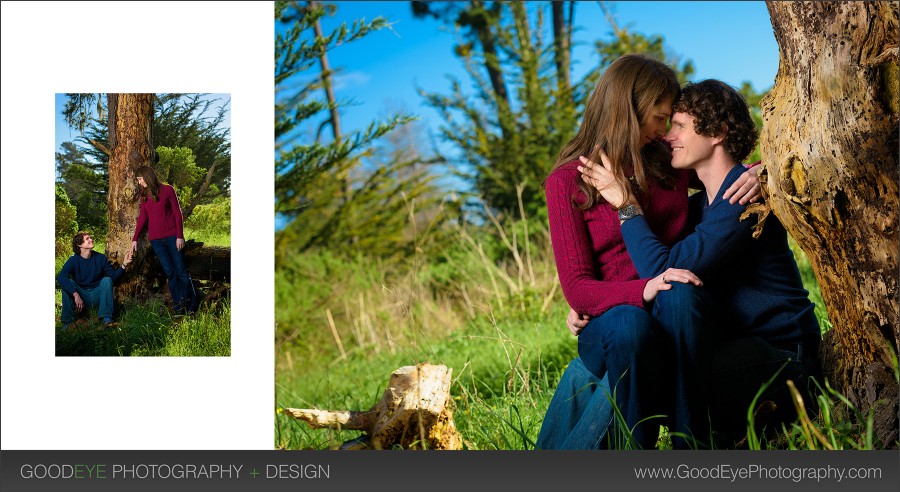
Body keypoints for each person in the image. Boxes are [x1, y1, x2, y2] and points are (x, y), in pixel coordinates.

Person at [574, 79, 821, 447]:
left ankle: (686, 451)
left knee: (649, 373)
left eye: (680, 126)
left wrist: (625, 203)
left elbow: (662, 266)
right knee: (661, 317)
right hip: (731, 345)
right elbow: (654, 274)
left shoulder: (743, 198)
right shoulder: (698, 208)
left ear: (718, 131)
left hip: (782, 358)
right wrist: (598, 302)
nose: (668, 136)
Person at [539, 54, 760, 450]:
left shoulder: (666, 163)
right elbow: (578, 288)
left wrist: (764, 170)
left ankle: (690, 445)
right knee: (629, 325)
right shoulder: (565, 183)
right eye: (659, 118)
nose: (663, 131)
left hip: (677, 307)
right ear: (628, 111)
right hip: (616, 320)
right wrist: (641, 289)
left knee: (679, 292)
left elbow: (720, 164)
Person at [132, 165, 197, 314]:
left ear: (147, 176)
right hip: (157, 241)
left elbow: (177, 213)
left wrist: (180, 236)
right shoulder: (144, 195)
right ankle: (179, 308)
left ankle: (192, 307)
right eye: (138, 180)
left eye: (140, 179)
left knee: (181, 272)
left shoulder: (168, 190)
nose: (139, 182)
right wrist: (134, 238)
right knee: (171, 273)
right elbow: (143, 218)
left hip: (173, 238)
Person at [57, 232, 133, 328]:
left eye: (90, 238)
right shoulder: (73, 260)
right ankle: (67, 323)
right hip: (82, 295)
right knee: (68, 284)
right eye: (87, 239)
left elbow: (113, 278)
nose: (91, 240)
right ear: (79, 245)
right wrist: (75, 294)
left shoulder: (101, 258)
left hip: (97, 295)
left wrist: (124, 264)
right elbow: (61, 277)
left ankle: (107, 319)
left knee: (106, 280)